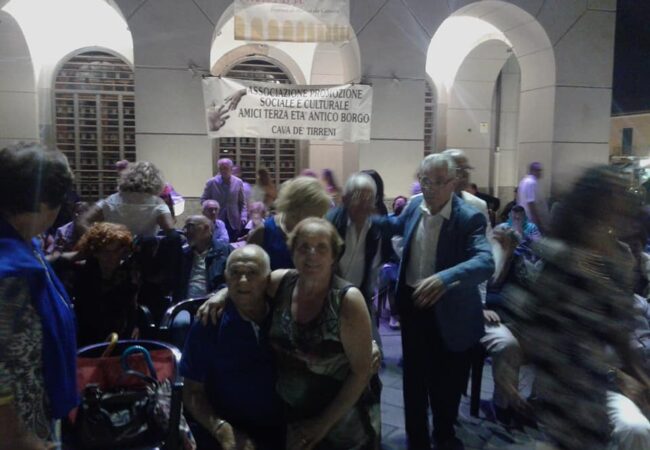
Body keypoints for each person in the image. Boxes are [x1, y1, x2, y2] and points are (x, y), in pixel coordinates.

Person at [199, 219, 381, 449]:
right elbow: (248, 281)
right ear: (292, 253)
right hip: (294, 420)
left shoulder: (347, 300)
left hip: (342, 423)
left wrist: (321, 425)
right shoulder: (281, 282)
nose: (311, 254)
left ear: (334, 256)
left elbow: (361, 373)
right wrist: (222, 294)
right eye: (304, 247)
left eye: (321, 247)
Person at [508, 166, 650, 450]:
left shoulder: (619, 260)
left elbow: (620, 332)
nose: (624, 201)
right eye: (617, 194)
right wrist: (509, 368)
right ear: (598, 202)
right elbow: (531, 316)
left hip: (594, 378)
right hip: (562, 378)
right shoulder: (561, 254)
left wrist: (640, 377)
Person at [377, 153, 494, 449]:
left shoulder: (468, 217)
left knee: (446, 381)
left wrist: (445, 278)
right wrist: (365, 213)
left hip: (449, 311)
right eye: (425, 180)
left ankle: (443, 434)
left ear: (453, 182)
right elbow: (395, 225)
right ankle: (416, 438)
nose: (430, 188)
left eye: (438, 182)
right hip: (414, 304)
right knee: (413, 379)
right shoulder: (415, 205)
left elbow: (485, 262)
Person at [0, 143, 77, 449]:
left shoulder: (20, 239)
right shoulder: (8, 274)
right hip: (18, 425)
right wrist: (18, 436)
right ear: (43, 203)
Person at [181, 245, 284, 450]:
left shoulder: (285, 314)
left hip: (284, 429)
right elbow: (191, 391)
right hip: (225, 431)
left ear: (268, 279)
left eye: (252, 272)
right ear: (226, 278)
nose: (242, 280)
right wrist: (221, 429)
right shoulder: (209, 322)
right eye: (235, 273)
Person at [326, 173, 384, 346]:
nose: (365, 204)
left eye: (370, 198)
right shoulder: (331, 224)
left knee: (370, 349)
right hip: (328, 298)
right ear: (345, 199)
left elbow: (374, 267)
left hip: (360, 297)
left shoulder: (376, 229)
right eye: (359, 197)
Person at [72, 222, 140, 347]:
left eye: (116, 251)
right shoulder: (82, 272)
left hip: (119, 338)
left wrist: (134, 326)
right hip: (85, 337)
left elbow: (131, 308)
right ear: (95, 252)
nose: (111, 257)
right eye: (105, 252)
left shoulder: (128, 274)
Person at [248, 176, 331, 270]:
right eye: (313, 214)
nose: (317, 221)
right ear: (295, 209)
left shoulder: (322, 234)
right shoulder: (264, 232)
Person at [80, 161, 175, 237]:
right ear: (156, 180)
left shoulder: (111, 200)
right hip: (144, 252)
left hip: (114, 252)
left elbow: (82, 222)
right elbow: (171, 232)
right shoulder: (157, 202)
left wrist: (99, 242)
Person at [175, 215, 230, 302]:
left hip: (214, 304)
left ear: (206, 228)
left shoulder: (226, 253)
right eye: (185, 227)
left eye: (190, 226)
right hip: (185, 305)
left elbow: (232, 283)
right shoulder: (183, 254)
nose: (185, 232)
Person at [200, 159, 247, 242]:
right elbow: (203, 199)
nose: (223, 171)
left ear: (231, 169)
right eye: (221, 169)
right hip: (216, 219)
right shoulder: (211, 182)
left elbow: (242, 202)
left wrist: (243, 216)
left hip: (234, 221)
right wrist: (209, 208)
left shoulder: (238, 182)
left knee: (233, 243)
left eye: (226, 168)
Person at [517, 162, 549, 234]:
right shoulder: (531, 182)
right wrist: (538, 222)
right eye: (538, 170)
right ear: (532, 171)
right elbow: (531, 203)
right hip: (531, 220)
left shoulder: (524, 181)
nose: (540, 173)